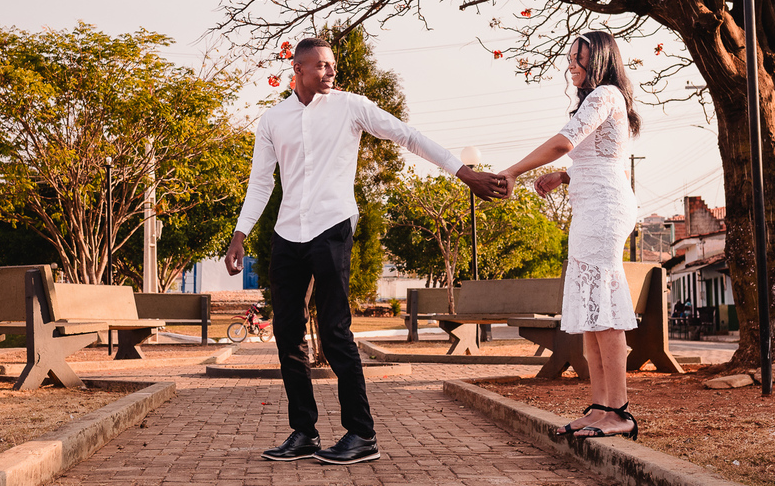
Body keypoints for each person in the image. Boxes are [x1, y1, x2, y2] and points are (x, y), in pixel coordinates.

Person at [224, 37, 507, 465]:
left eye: (332, 65)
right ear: (297, 69)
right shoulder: (273, 120)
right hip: (286, 234)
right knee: (286, 333)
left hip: (332, 225)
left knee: (335, 331)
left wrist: (464, 173)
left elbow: (408, 137)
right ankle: (303, 432)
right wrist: (240, 234)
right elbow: (261, 182)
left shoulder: (351, 106)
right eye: (320, 65)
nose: (330, 71)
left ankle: (362, 434)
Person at [498, 30, 642, 439]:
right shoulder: (600, 100)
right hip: (591, 207)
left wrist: (512, 171)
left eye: (580, 58)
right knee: (591, 312)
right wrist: (565, 176)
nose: (572, 65)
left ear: (600, 61)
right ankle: (600, 407)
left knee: (605, 310)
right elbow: (599, 155)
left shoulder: (604, 95)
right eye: (571, 57)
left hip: (605, 211)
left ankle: (620, 411)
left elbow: (565, 142)